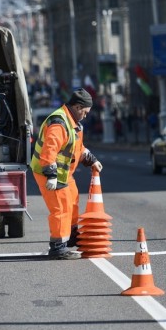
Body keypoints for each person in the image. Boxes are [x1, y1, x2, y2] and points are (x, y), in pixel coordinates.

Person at [30, 88, 103, 259]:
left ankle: (70, 236)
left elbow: (78, 147)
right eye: (85, 112)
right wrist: (51, 175)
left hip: (63, 174)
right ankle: (58, 247)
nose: (86, 115)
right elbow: (49, 150)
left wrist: (91, 159)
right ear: (78, 107)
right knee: (61, 208)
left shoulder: (73, 123)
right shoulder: (59, 123)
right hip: (48, 172)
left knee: (73, 200)